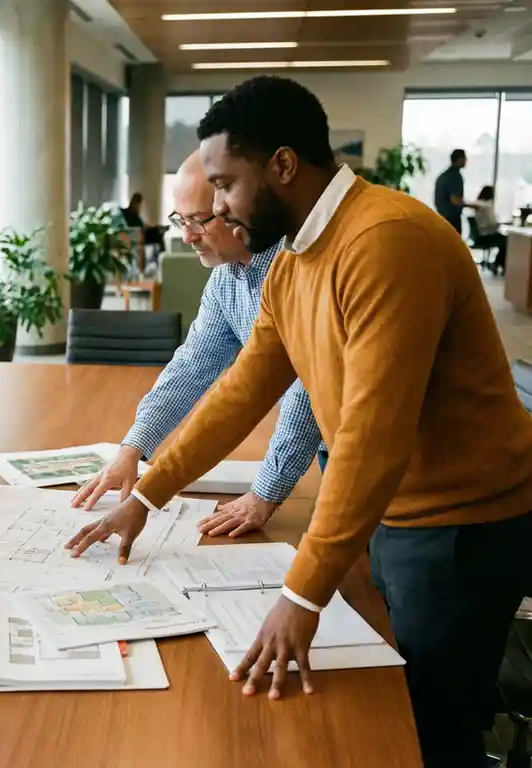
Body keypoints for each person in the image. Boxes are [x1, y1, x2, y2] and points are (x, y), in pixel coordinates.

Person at [66, 76, 532, 767]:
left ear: (283, 166)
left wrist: (301, 594)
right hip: (398, 516)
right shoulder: (295, 260)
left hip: (461, 526)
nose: (217, 206)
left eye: (225, 185)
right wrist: (145, 494)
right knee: (391, 710)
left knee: (426, 730)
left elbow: (373, 437)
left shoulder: (385, 241)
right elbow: (240, 392)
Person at [72, 149, 325, 539]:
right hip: (332, 449)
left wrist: (265, 493)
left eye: (197, 221)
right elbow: (191, 366)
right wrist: (134, 447)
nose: (187, 236)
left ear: (236, 207)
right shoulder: (226, 277)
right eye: (180, 220)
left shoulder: (295, 268)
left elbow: (304, 391)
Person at [433, 148, 474, 234]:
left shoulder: (443, 176)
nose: (466, 160)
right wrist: (474, 205)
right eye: (464, 158)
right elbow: (455, 200)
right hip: (452, 219)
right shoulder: (455, 177)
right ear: (459, 159)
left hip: (441, 217)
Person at [473, 184, 507, 274]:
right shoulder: (486, 207)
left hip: (481, 235)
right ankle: (498, 263)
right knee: (507, 241)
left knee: (504, 240)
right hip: (487, 235)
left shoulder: (479, 205)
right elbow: (493, 223)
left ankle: (497, 263)